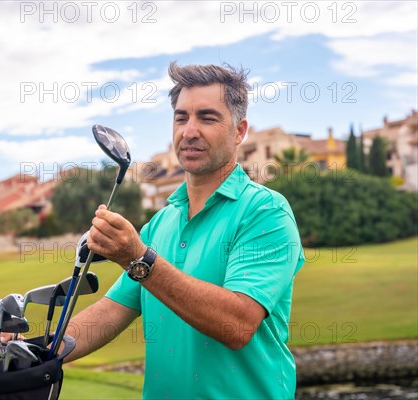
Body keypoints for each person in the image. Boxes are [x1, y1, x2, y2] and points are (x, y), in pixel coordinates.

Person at [65, 62, 305, 399]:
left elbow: (236, 324)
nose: (189, 131)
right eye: (181, 118)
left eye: (207, 118)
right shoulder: (161, 223)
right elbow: (108, 313)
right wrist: (26, 351)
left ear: (239, 131)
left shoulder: (266, 211)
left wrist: (138, 258)